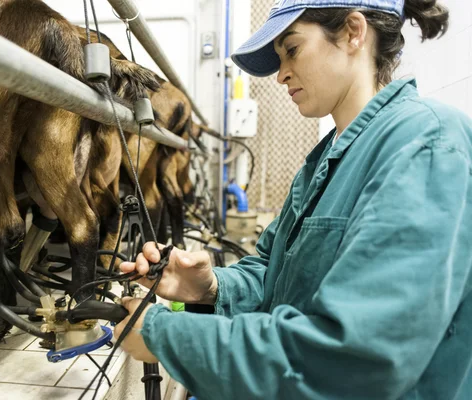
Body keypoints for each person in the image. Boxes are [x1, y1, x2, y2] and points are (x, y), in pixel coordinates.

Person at [114, 0, 472, 398]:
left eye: (293, 49)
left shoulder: (424, 144)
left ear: (354, 32)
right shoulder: (324, 161)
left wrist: (166, 335)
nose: (282, 74)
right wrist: (210, 286)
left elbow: (358, 357)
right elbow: (273, 272)